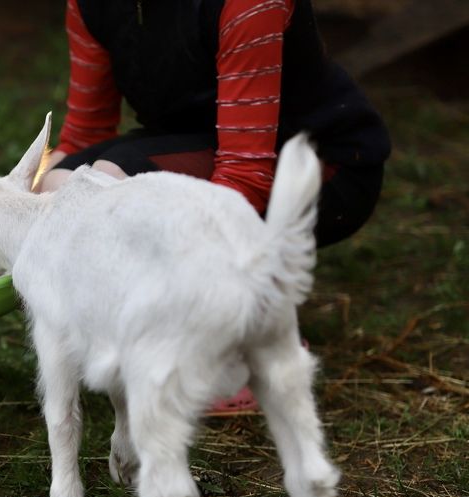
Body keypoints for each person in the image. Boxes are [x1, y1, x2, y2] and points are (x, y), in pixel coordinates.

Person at [39, 0, 390, 413]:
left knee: (111, 185)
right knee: (63, 182)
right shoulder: (90, 5)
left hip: (317, 166)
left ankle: (254, 345)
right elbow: (84, 135)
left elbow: (243, 179)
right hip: (203, 143)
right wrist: (16, 220)